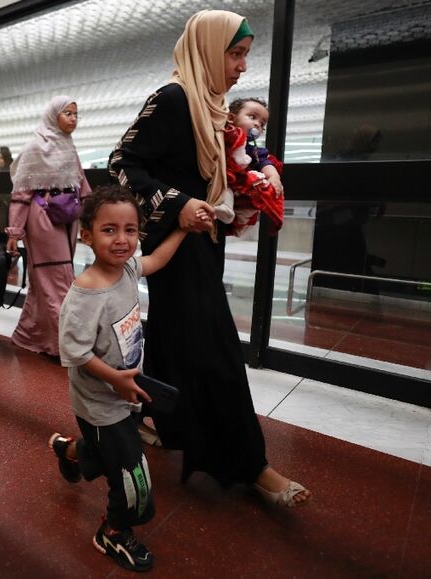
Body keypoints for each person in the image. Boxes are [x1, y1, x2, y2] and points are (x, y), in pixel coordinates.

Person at [108, 10, 312, 507]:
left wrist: (258, 178)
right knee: (217, 348)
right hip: (178, 243)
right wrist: (179, 203)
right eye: (235, 53)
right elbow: (121, 164)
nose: (242, 66)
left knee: (176, 338)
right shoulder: (174, 98)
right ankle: (250, 463)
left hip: (204, 241)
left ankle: (152, 414)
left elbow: (226, 165)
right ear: (207, 49)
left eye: (245, 55)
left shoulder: (212, 106)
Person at [49, 185, 193, 572]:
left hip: (124, 391)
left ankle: (68, 450)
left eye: (130, 230)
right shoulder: (84, 295)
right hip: (100, 402)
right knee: (133, 474)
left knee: (100, 452)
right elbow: (76, 354)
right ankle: (113, 531)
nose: (122, 239)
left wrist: (183, 228)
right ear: (87, 235)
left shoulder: (128, 268)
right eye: (109, 230)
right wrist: (115, 379)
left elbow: (157, 260)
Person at [5, 96, 91, 357]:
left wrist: (93, 218)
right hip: (42, 218)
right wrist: (15, 233)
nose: (74, 119)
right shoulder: (35, 147)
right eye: (68, 113)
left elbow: (81, 184)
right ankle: (64, 347)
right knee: (59, 280)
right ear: (54, 115)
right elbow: (21, 194)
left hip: (67, 217)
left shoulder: (68, 146)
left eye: (76, 114)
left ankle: (30, 335)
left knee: (45, 281)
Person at [213, 97, 284, 229]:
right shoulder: (220, 137)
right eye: (252, 117)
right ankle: (226, 209)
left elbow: (265, 162)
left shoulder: (253, 150)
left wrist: (274, 176)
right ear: (231, 118)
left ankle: (240, 222)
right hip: (220, 180)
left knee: (251, 203)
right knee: (225, 187)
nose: (258, 124)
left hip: (238, 185)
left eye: (262, 124)